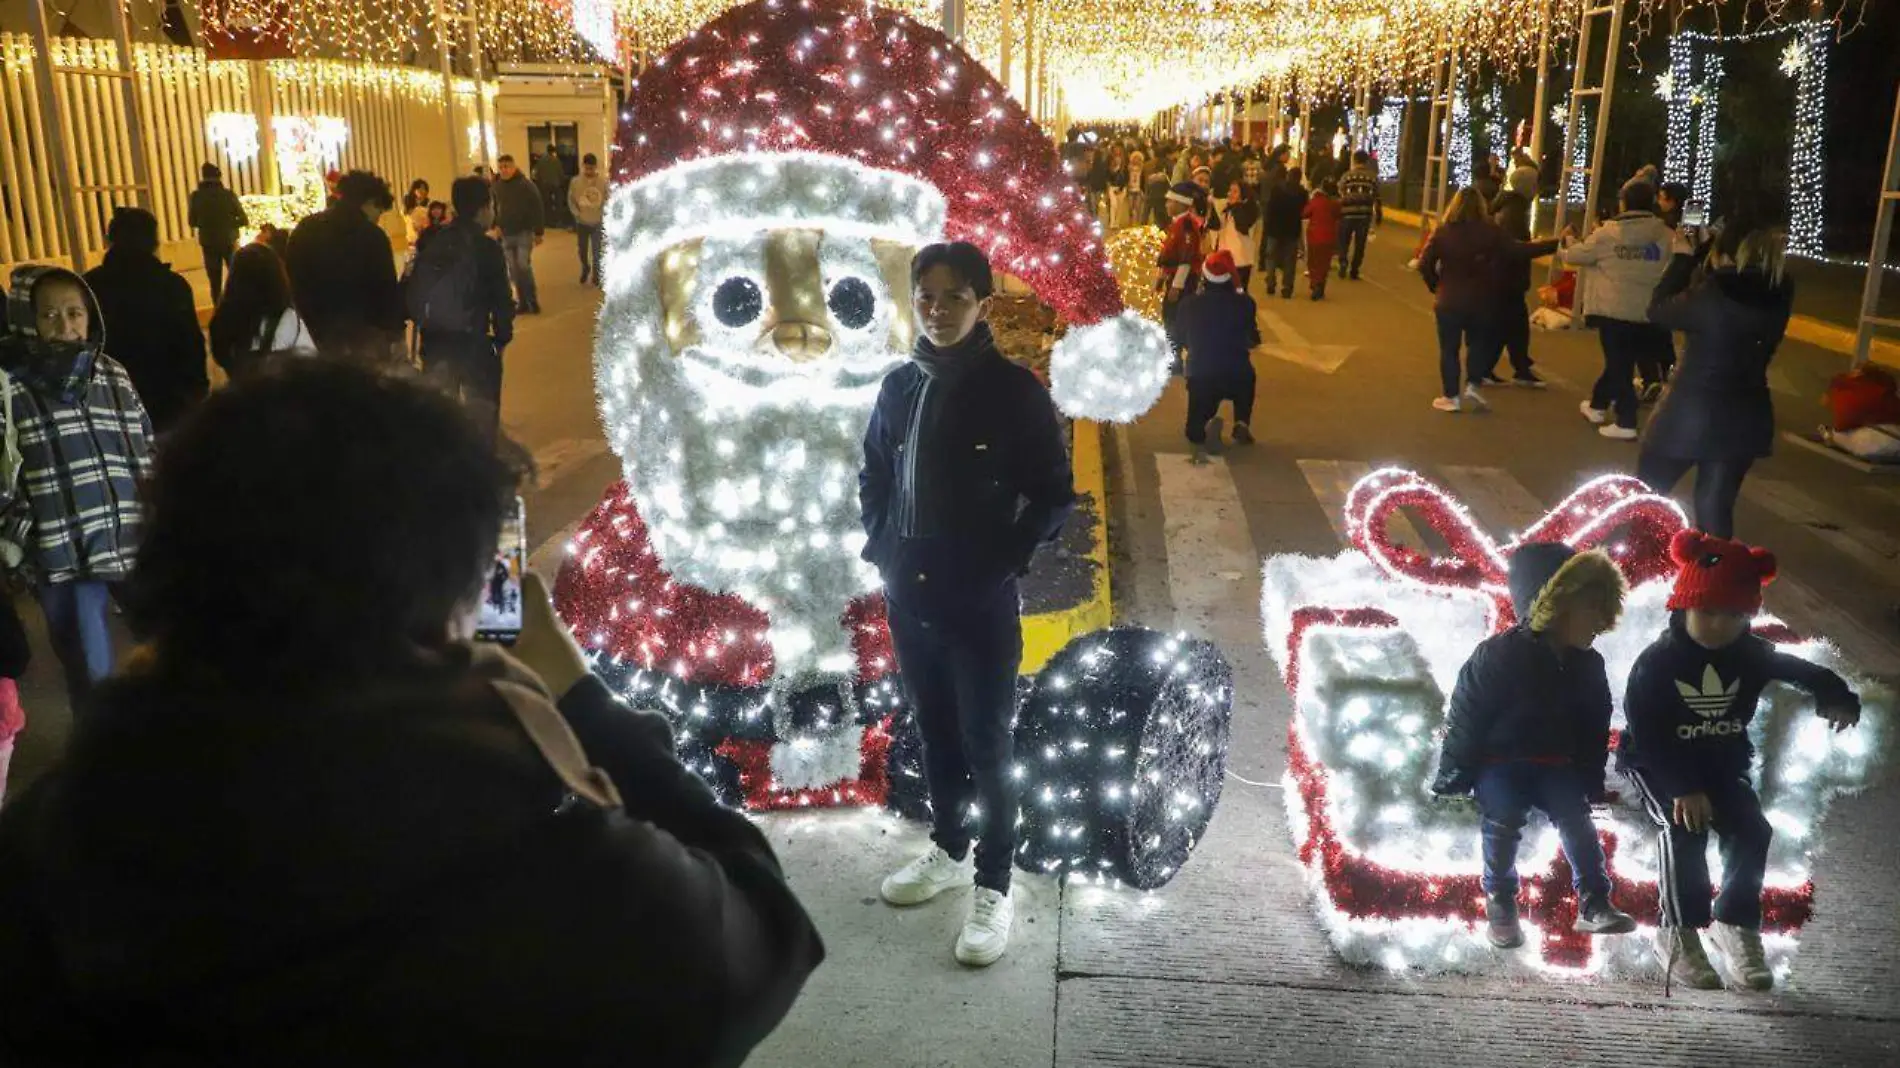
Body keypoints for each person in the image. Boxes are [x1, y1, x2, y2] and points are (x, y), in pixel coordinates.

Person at [0, 361, 825, 1062]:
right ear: (452, 602)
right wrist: (581, 705)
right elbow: (763, 931)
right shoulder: (548, 872)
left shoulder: (56, 836)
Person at [858, 241, 1074, 968]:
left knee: (989, 743)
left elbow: (1051, 494)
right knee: (934, 731)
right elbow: (874, 474)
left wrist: (1002, 561)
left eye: (954, 297)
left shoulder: (1013, 391)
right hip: (907, 593)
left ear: (983, 300)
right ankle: (949, 850)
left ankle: (994, 883)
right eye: (926, 296)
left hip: (978, 603)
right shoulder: (898, 387)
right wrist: (882, 546)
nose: (938, 309)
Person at [1620, 530, 1861, 991]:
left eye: (1732, 616)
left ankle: (1734, 923)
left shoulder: (1749, 654)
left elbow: (1803, 671)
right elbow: (1648, 733)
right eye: (1707, 612)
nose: (1718, 626)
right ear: (1684, 606)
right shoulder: (1658, 663)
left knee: (1753, 828)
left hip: (1721, 763)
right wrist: (1683, 788)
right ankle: (1677, 930)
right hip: (1657, 766)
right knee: (1682, 827)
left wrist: (1838, 696)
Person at [1431, 543, 1639, 950]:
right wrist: (1453, 777)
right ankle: (1500, 898)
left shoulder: (1588, 665)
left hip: (1554, 764)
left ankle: (1595, 902)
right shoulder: (1499, 656)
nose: (1599, 621)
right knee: (1504, 814)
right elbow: (1466, 717)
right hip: (1500, 762)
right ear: (1554, 604)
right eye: (1589, 608)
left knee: (1575, 816)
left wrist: (1590, 781)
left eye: (1603, 609)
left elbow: (1593, 727)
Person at [0, 265, 153, 709]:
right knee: (89, 666)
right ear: (26, 319)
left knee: (169, 642)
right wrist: (21, 531)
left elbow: (142, 440)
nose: (66, 326)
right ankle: (103, 753)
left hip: (128, 531)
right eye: (50, 315)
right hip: (59, 545)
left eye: (75, 313)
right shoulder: (8, 384)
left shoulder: (110, 373)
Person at [1636, 227, 1793, 539]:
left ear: (1725, 254)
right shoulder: (1780, 290)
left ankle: (1634, 567)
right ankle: (1711, 580)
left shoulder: (1714, 291)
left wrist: (1683, 258)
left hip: (1688, 415)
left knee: (1646, 498)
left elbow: (1658, 310)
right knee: (1715, 508)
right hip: (1747, 414)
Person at [1419, 188, 1559, 413]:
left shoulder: (1443, 232)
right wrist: (1556, 243)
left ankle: (1451, 397)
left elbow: (1425, 264)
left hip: (1449, 300)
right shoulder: (1492, 232)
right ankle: (1473, 384)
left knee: (1449, 349)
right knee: (1478, 344)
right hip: (1482, 300)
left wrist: (1436, 286)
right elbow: (1520, 250)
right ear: (1481, 207)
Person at [1557, 178, 1675, 440]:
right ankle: (1597, 405)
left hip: (1613, 308)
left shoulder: (1607, 234)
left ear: (1623, 203)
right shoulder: (1666, 235)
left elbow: (1575, 256)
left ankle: (1626, 419)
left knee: (1619, 365)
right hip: (1648, 311)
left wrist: (1567, 241)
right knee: (1620, 362)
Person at [82, 207, 209, 434]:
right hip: (169, 406)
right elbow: (192, 347)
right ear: (154, 242)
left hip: (109, 409)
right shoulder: (172, 286)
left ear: (110, 240)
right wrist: (195, 399)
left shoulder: (89, 287)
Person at [408, 176, 517, 441]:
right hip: (473, 342)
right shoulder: (487, 247)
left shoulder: (432, 239)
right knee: (481, 413)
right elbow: (501, 299)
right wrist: (501, 338)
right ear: (483, 208)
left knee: (441, 416)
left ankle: (443, 471)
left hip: (434, 340)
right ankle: (479, 471)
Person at [286, 169, 405, 358]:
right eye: (379, 211)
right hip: (364, 333)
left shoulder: (306, 228)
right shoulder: (372, 236)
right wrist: (396, 333)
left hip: (316, 330)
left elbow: (293, 277)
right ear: (369, 202)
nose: (378, 218)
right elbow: (386, 289)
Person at [1178, 250, 1258, 463]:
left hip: (1201, 374)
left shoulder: (1189, 304)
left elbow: (1178, 337)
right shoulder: (1246, 303)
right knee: (1248, 377)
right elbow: (1253, 338)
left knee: (1193, 433)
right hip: (1236, 373)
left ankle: (1203, 424)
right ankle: (1241, 422)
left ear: (1204, 277)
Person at [207, 243, 317, 380]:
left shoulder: (222, 321)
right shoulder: (288, 320)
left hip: (241, 396)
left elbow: (221, 357)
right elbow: (310, 363)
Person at [1484, 164, 1549, 387]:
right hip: (1507, 280)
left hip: (1505, 279)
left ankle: (1517, 367)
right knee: (1506, 326)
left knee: (1513, 326)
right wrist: (1549, 244)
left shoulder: (1511, 208)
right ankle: (1486, 368)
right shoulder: (1514, 213)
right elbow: (1515, 249)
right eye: (1535, 184)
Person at [1157, 183, 1210, 373]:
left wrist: (1176, 286)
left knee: (1176, 320)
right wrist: (1162, 276)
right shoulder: (1177, 223)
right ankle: (1176, 355)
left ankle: (1177, 358)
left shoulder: (1187, 226)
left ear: (1181, 204)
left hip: (1183, 282)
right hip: (1173, 278)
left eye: (1170, 201)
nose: (1167, 204)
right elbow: (1170, 255)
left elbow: (1186, 259)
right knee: (1171, 318)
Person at [492, 154, 546, 315]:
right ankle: (522, 302)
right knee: (513, 270)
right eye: (501, 167)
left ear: (514, 166)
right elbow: (494, 207)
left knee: (523, 265)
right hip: (506, 234)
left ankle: (532, 299)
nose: (504, 170)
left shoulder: (526, 185)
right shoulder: (497, 187)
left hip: (524, 232)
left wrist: (538, 231)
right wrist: (495, 225)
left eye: (507, 166)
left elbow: (537, 207)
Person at [187, 162, 248, 304]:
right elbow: (243, 219)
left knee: (215, 282)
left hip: (208, 242)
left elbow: (191, 221)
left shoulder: (196, 196)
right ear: (219, 176)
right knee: (235, 278)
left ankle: (218, 310)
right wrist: (228, 224)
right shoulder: (228, 195)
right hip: (228, 240)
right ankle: (238, 306)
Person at [1260, 166, 1308, 299]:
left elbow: (1269, 209)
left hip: (1274, 229)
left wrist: (1267, 225)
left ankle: (1270, 281)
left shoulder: (1277, 189)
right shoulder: (1302, 192)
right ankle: (1287, 287)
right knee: (1290, 260)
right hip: (1292, 230)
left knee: (1271, 257)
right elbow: (1304, 211)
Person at [1336, 150, 1381, 282]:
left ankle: (1343, 261)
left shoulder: (1347, 176)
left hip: (1347, 214)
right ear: (1367, 161)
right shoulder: (1373, 177)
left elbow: (1340, 191)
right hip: (1364, 214)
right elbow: (1377, 197)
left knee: (1344, 240)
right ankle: (1355, 269)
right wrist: (1378, 214)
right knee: (1360, 243)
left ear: (1354, 161)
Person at [568, 152, 609, 287]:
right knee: (582, 251)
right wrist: (577, 214)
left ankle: (596, 274)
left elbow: (608, 199)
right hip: (582, 222)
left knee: (597, 251)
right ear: (583, 166)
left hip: (597, 221)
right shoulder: (575, 182)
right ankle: (586, 267)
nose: (589, 171)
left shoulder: (603, 182)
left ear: (596, 167)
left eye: (591, 168)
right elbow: (571, 200)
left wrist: (604, 214)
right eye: (587, 168)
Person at [1301, 178, 1342, 300]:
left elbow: (1305, 213)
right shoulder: (1334, 204)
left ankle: (1315, 284)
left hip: (1314, 236)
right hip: (1329, 237)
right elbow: (1339, 215)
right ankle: (1320, 285)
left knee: (1313, 261)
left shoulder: (1316, 201)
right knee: (1324, 263)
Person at [1215, 180, 1258, 292]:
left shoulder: (1249, 210)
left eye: (1235, 192)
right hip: (1225, 258)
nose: (1230, 194)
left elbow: (1242, 227)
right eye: (1230, 191)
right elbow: (1215, 226)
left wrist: (1236, 206)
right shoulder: (1228, 210)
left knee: (1239, 293)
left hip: (1241, 260)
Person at [403, 178, 432, 242]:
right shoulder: (409, 204)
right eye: (419, 188)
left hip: (425, 236)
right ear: (414, 190)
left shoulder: (429, 205)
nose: (422, 191)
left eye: (424, 189)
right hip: (411, 237)